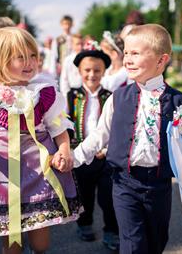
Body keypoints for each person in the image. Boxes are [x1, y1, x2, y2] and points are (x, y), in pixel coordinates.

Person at [73, 24, 182, 254]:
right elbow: (99, 136)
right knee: (133, 244)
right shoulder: (117, 98)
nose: (127, 59)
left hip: (159, 185)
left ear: (161, 61)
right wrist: (72, 159)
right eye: (126, 53)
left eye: (136, 53)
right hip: (124, 183)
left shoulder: (179, 102)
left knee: (156, 241)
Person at [0, 27, 82, 254]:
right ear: (0, 61)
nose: (30, 62)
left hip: (37, 166)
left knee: (41, 242)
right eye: (21, 57)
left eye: (33, 55)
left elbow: (58, 124)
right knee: (12, 243)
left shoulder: (44, 90)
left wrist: (64, 149)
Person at [66, 42, 119, 250]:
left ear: (104, 71)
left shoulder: (111, 97)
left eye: (97, 70)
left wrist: (106, 149)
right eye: (87, 70)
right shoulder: (71, 96)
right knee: (84, 195)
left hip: (105, 157)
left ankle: (111, 230)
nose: (92, 74)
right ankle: (84, 224)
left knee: (109, 197)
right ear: (79, 71)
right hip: (81, 155)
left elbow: (116, 127)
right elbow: (65, 124)